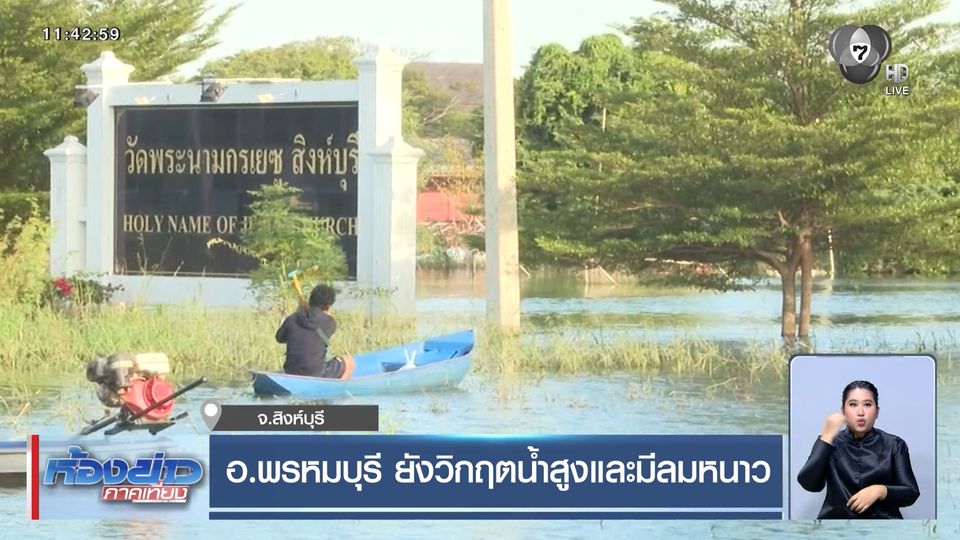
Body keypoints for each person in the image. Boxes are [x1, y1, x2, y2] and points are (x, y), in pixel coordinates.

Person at [797, 380, 920, 519]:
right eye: (853, 404)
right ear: (843, 411)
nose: (860, 412)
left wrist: (880, 490)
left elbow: (911, 492)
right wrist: (826, 436)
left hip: (883, 527)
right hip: (836, 527)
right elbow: (809, 484)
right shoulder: (830, 442)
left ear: (877, 411)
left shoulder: (895, 444)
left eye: (867, 405)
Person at [275, 284, 355, 379]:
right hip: (316, 372)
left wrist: (299, 311)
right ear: (328, 305)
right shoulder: (329, 322)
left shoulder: (292, 318)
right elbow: (317, 332)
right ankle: (338, 386)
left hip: (291, 370)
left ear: (311, 300)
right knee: (349, 361)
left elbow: (279, 338)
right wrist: (305, 311)